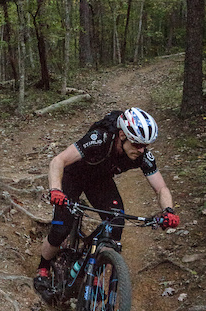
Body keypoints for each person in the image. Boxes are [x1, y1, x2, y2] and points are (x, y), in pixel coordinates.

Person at [34, 107, 180, 295]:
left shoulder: (142, 154)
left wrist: (168, 210)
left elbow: (161, 188)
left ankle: (94, 269)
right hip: (73, 176)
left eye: (145, 145)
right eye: (136, 144)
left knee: (116, 223)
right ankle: (43, 268)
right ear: (122, 135)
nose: (141, 150)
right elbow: (58, 161)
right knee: (61, 227)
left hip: (99, 180)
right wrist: (56, 190)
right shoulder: (99, 139)